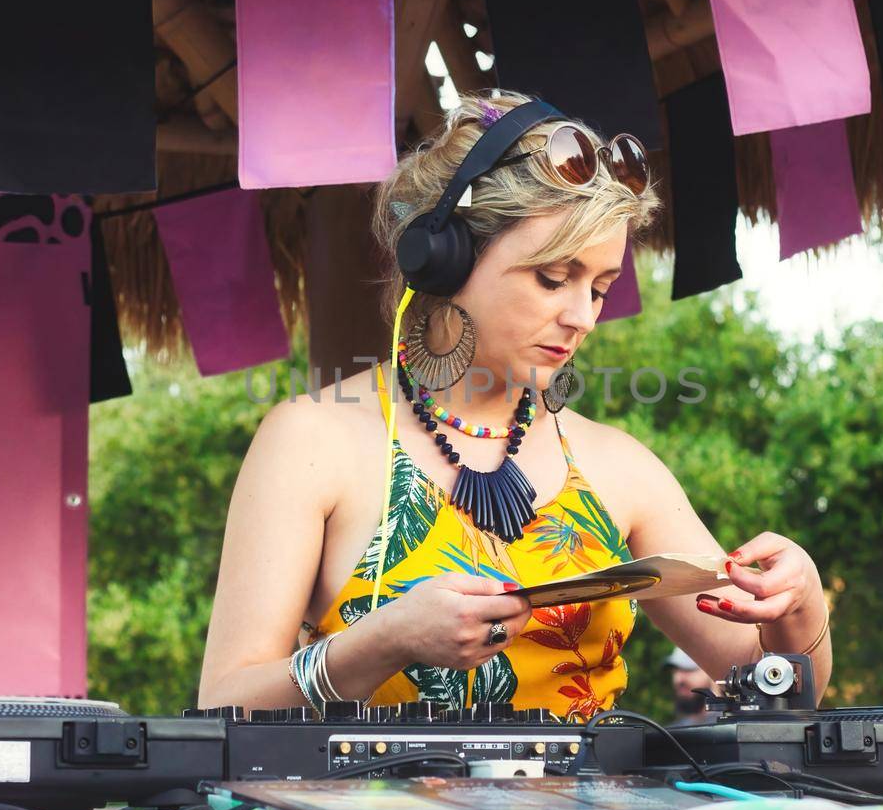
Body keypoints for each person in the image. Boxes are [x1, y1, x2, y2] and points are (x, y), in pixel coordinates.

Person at [198, 91, 831, 719]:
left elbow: (780, 691)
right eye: (553, 279)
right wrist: (382, 641)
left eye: (601, 289)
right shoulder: (312, 441)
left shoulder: (620, 466)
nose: (582, 317)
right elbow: (225, 702)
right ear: (446, 260)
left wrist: (800, 602)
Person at [666, 647, 716, 726]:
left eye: (687, 669)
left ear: (711, 673)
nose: (678, 680)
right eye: (675, 670)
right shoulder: (670, 734)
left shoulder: (733, 729)